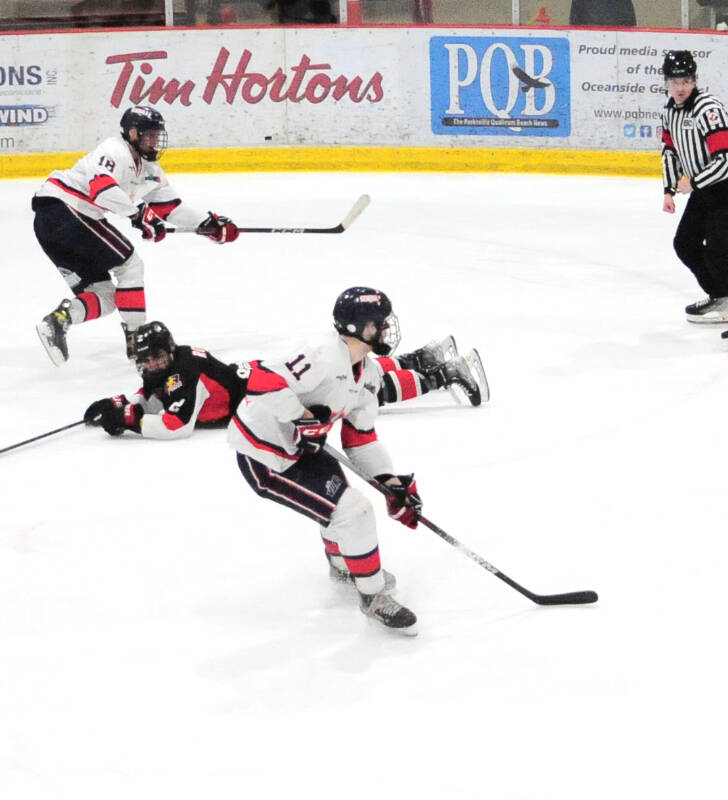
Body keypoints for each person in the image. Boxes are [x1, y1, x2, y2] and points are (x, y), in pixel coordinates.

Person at [226, 287, 430, 632]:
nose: (385, 330)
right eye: (378, 324)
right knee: (353, 511)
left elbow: (359, 436)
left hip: (304, 449)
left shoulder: (368, 374)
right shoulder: (319, 353)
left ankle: (342, 564)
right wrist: (301, 414)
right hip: (264, 454)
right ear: (355, 327)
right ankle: (373, 596)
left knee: (341, 506)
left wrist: (388, 481)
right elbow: (261, 381)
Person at [32, 105, 240, 367]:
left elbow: (171, 208)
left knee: (105, 295)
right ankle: (138, 341)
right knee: (131, 265)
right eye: (148, 135)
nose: (154, 141)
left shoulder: (150, 169)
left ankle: (59, 321)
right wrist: (140, 214)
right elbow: (102, 189)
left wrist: (208, 225)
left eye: (156, 135)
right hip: (66, 210)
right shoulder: (113, 151)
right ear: (132, 133)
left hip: (54, 223)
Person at [83, 320, 487, 440]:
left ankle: (442, 374)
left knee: (364, 385)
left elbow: (175, 425)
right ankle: (423, 357)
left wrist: (132, 422)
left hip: (269, 393)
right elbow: (153, 393)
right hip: (262, 376)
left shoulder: (182, 375)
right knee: (355, 369)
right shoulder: (173, 365)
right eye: (145, 360)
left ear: (169, 353)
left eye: (156, 357)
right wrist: (124, 403)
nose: (151, 365)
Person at [659, 49, 728, 348]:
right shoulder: (669, 111)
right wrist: (669, 189)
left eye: (687, 79)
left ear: (695, 80)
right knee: (685, 244)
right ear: (666, 82)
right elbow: (670, 151)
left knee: (719, 251)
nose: (681, 86)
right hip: (704, 186)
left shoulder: (708, 109)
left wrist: (692, 183)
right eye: (675, 80)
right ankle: (720, 299)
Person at [570, 0, 636, 26]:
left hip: (616, 48)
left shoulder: (624, 2)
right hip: (587, 46)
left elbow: (631, 30)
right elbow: (573, 30)